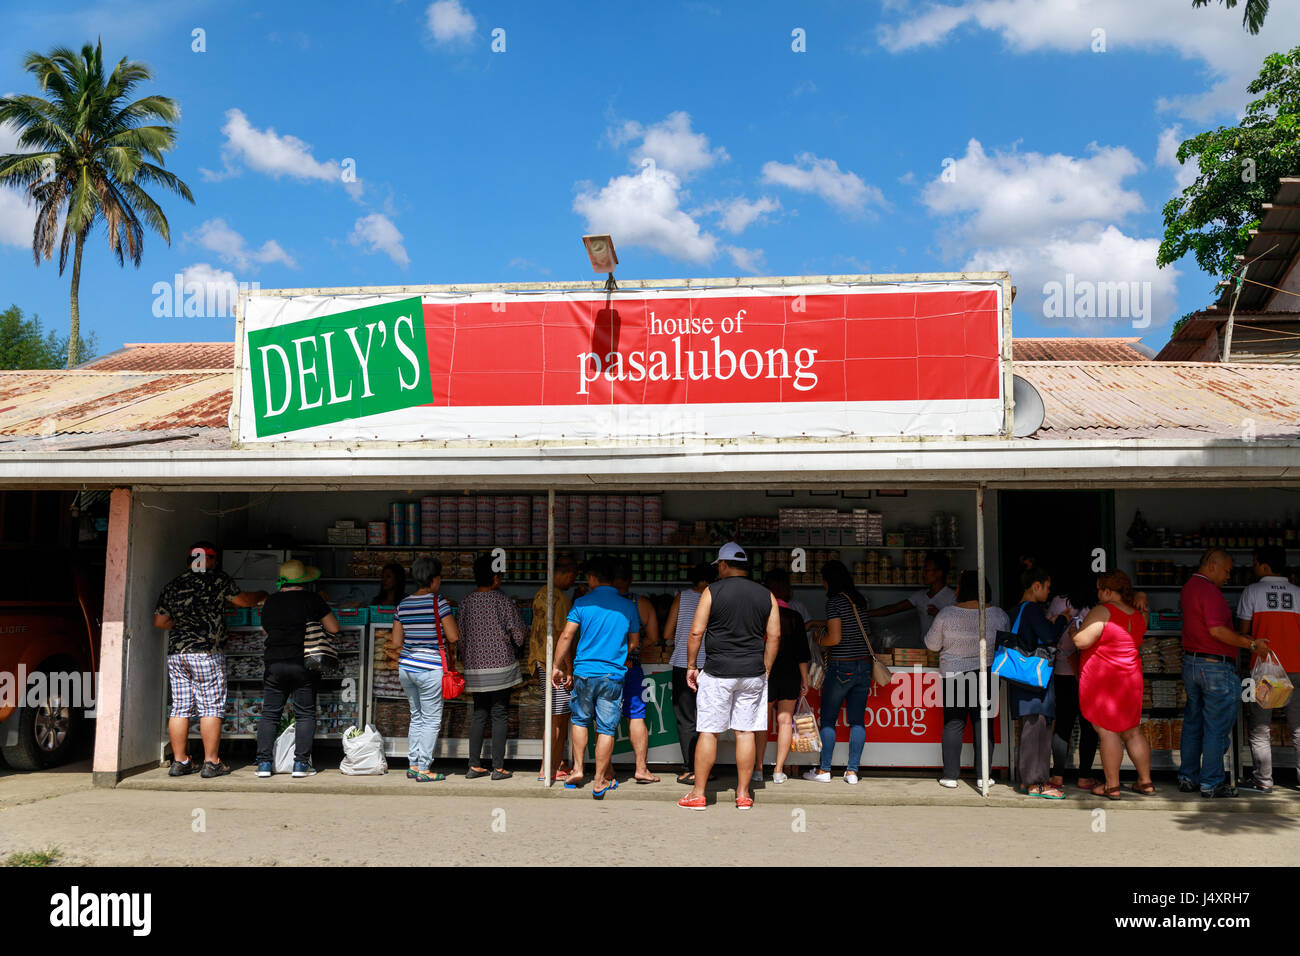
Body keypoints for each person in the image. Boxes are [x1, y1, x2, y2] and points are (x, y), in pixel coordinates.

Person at [679, 543, 780, 811]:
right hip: (752, 672)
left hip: (717, 672)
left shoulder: (712, 591)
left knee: (709, 732)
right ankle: (744, 794)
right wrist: (766, 667)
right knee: (745, 732)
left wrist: (691, 665)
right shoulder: (766, 595)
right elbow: (774, 636)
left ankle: (699, 794)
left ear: (723, 565)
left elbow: (696, 632)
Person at [154, 541, 266, 779]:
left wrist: (185, 628)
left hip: (177, 654)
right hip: (206, 654)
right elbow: (244, 601)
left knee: (180, 708)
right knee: (210, 707)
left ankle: (180, 761)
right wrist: (263, 595)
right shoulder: (217, 579)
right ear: (212, 560)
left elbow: (160, 622)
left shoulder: (173, 585)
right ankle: (211, 762)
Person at [552, 557, 640, 799]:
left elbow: (567, 636)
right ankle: (600, 780)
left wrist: (557, 665)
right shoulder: (627, 606)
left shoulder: (582, 603)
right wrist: (619, 654)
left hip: (583, 673)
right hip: (612, 674)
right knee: (606, 729)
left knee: (580, 721)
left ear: (592, 578)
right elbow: (634, 641)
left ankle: (578, 770)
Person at [1179, 549, 1262, 798]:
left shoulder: (1189, 587)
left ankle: (1187, 777)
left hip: (1191, 663)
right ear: (1212, 565)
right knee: (1215, 728)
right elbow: (1216, 630)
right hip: (1214, 666)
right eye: (1226, 571)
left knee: (1193, 724)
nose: (1228, 576)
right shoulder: (1209, 591)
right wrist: (1251, 644)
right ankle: (1211, 783)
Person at [1072, 570, 1154, 799]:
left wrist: (1073, 631)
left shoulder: (1103, 611)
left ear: (1108, 591)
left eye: (1099, 589)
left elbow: (1081, 640)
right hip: (1131, 678)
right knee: (1132, 731)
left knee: (1107, 731)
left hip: (1105, 679)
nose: (1097, 594)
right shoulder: (1139, 614)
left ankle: (1112, 786)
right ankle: (1145, 782)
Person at [924, 570, 1009, 788]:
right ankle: (983, 776)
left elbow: (932, 645)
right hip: (987, 672)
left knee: (954, 723)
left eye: (958, 585)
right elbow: (1005, 645)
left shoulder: (947, 614)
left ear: (963, 588)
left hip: (955, 673)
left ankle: (950, 776)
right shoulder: (999, 614)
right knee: (984, 724)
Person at [255, 560, 339, 778]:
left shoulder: (270, 601)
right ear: (304, 580)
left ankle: (263, 764)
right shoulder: (312, 600)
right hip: (303, 664)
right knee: (304, 714)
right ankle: (301, 765)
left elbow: (266, 629)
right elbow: (333, 628)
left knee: (270, 714)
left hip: (274, 663)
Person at [803, 560, 874, 785]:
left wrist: (818, 639)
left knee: (828, 721)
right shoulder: (858, 600)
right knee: (857, 722)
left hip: (842, 666)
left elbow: (835, 637)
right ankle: (852, 772)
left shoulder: (834, 602)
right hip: (864, 666)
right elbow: (848, 625)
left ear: (828, 581)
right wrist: (818, 622)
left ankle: (824, 770)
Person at [388, 555, 458, 783]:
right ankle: (424, 768)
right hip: (430, 669)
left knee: (416, 716)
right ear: (434, 580)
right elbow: (453, 636)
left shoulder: (403, 604)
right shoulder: (439, 603)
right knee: (431, 719)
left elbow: (396, 642)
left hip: (406, 668)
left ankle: (413, 764)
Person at [458, 554, 526, 780]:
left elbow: (461, 637)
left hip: (475, 668)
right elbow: (518, 632)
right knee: (499, 714)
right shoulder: (502, 600)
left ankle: (474, 765)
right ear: (495, 577)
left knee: (478, 714)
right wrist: (518, 646)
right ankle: (498, 767)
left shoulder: (466, 602)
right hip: (501, 668)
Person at [1236, 545, 1296, 794]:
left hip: (1265, 671)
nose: (1253, 567)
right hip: (1298, 667)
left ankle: (1263, 779)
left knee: (1261, 727)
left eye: (1255, 562)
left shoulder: (1252, 591)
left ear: (1264, 565)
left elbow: (1244, 632)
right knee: (1299, 727)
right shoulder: (1299, 593)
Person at [1007, 565, 1068, 799]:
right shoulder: (1031, 609)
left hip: (1021, 677)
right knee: (1036, 728)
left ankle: (1030, 781)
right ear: (1036, 586)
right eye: (1048, 587)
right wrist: (1061, 620)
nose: (1049, 593)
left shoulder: (1015, 610)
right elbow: (1049, 636)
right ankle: (1035, 782)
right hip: (1034, 679)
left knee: (1033, 727)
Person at [663, 562, 717, 784]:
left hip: (684, 663)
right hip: (712, 665)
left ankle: (688, 769)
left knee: (686, 718)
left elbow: (667, 632)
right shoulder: (716, 597)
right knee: (708, 719)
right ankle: (705, 770)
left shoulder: (681, 597)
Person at [612, 559, 662, 784]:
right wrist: (638, 644)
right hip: (633, 667)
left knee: (605, 719)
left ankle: (605, 770)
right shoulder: (641, 603)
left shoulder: (602, 603)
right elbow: (654, 637)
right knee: (636, 716)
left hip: (606, 669)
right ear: (631, 580)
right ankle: (641, 768)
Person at [761, 568, 811, 784]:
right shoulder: (795, 616)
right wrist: (805, 679)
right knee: (785, 720)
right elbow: (802, 652)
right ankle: (779, 770)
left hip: (766, 673)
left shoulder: (762, 613)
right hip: (790, 674)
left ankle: (756, 768)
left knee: (762, 721)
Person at [529, 555, 577, 782]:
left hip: (541, 660)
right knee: (556, 719)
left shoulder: (541, 593)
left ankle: (556, 764)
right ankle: (546, 768)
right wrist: (568, 668)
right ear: (559, 573)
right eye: (570, 575)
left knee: (559, 716)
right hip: (554, 666)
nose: (572, 580)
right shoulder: (558, 598)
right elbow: (562, 636)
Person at [1050, 609, 1102, 793]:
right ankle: (1084, 776)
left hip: (1062, 675)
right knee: (1088, 726)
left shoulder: (1061, 607)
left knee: (1063, 725)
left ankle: (1057, 776)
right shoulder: (1093, 613)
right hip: (1084, 676)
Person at [868, 552, 955, 647]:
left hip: (947, 650)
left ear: (939, 573)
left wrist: (939, 614)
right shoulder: (920, 596)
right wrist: (864, 614)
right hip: (925, 648)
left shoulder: (952, 597)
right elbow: (893, 609)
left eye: (926, 571)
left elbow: (961, 626)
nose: (923, 574)